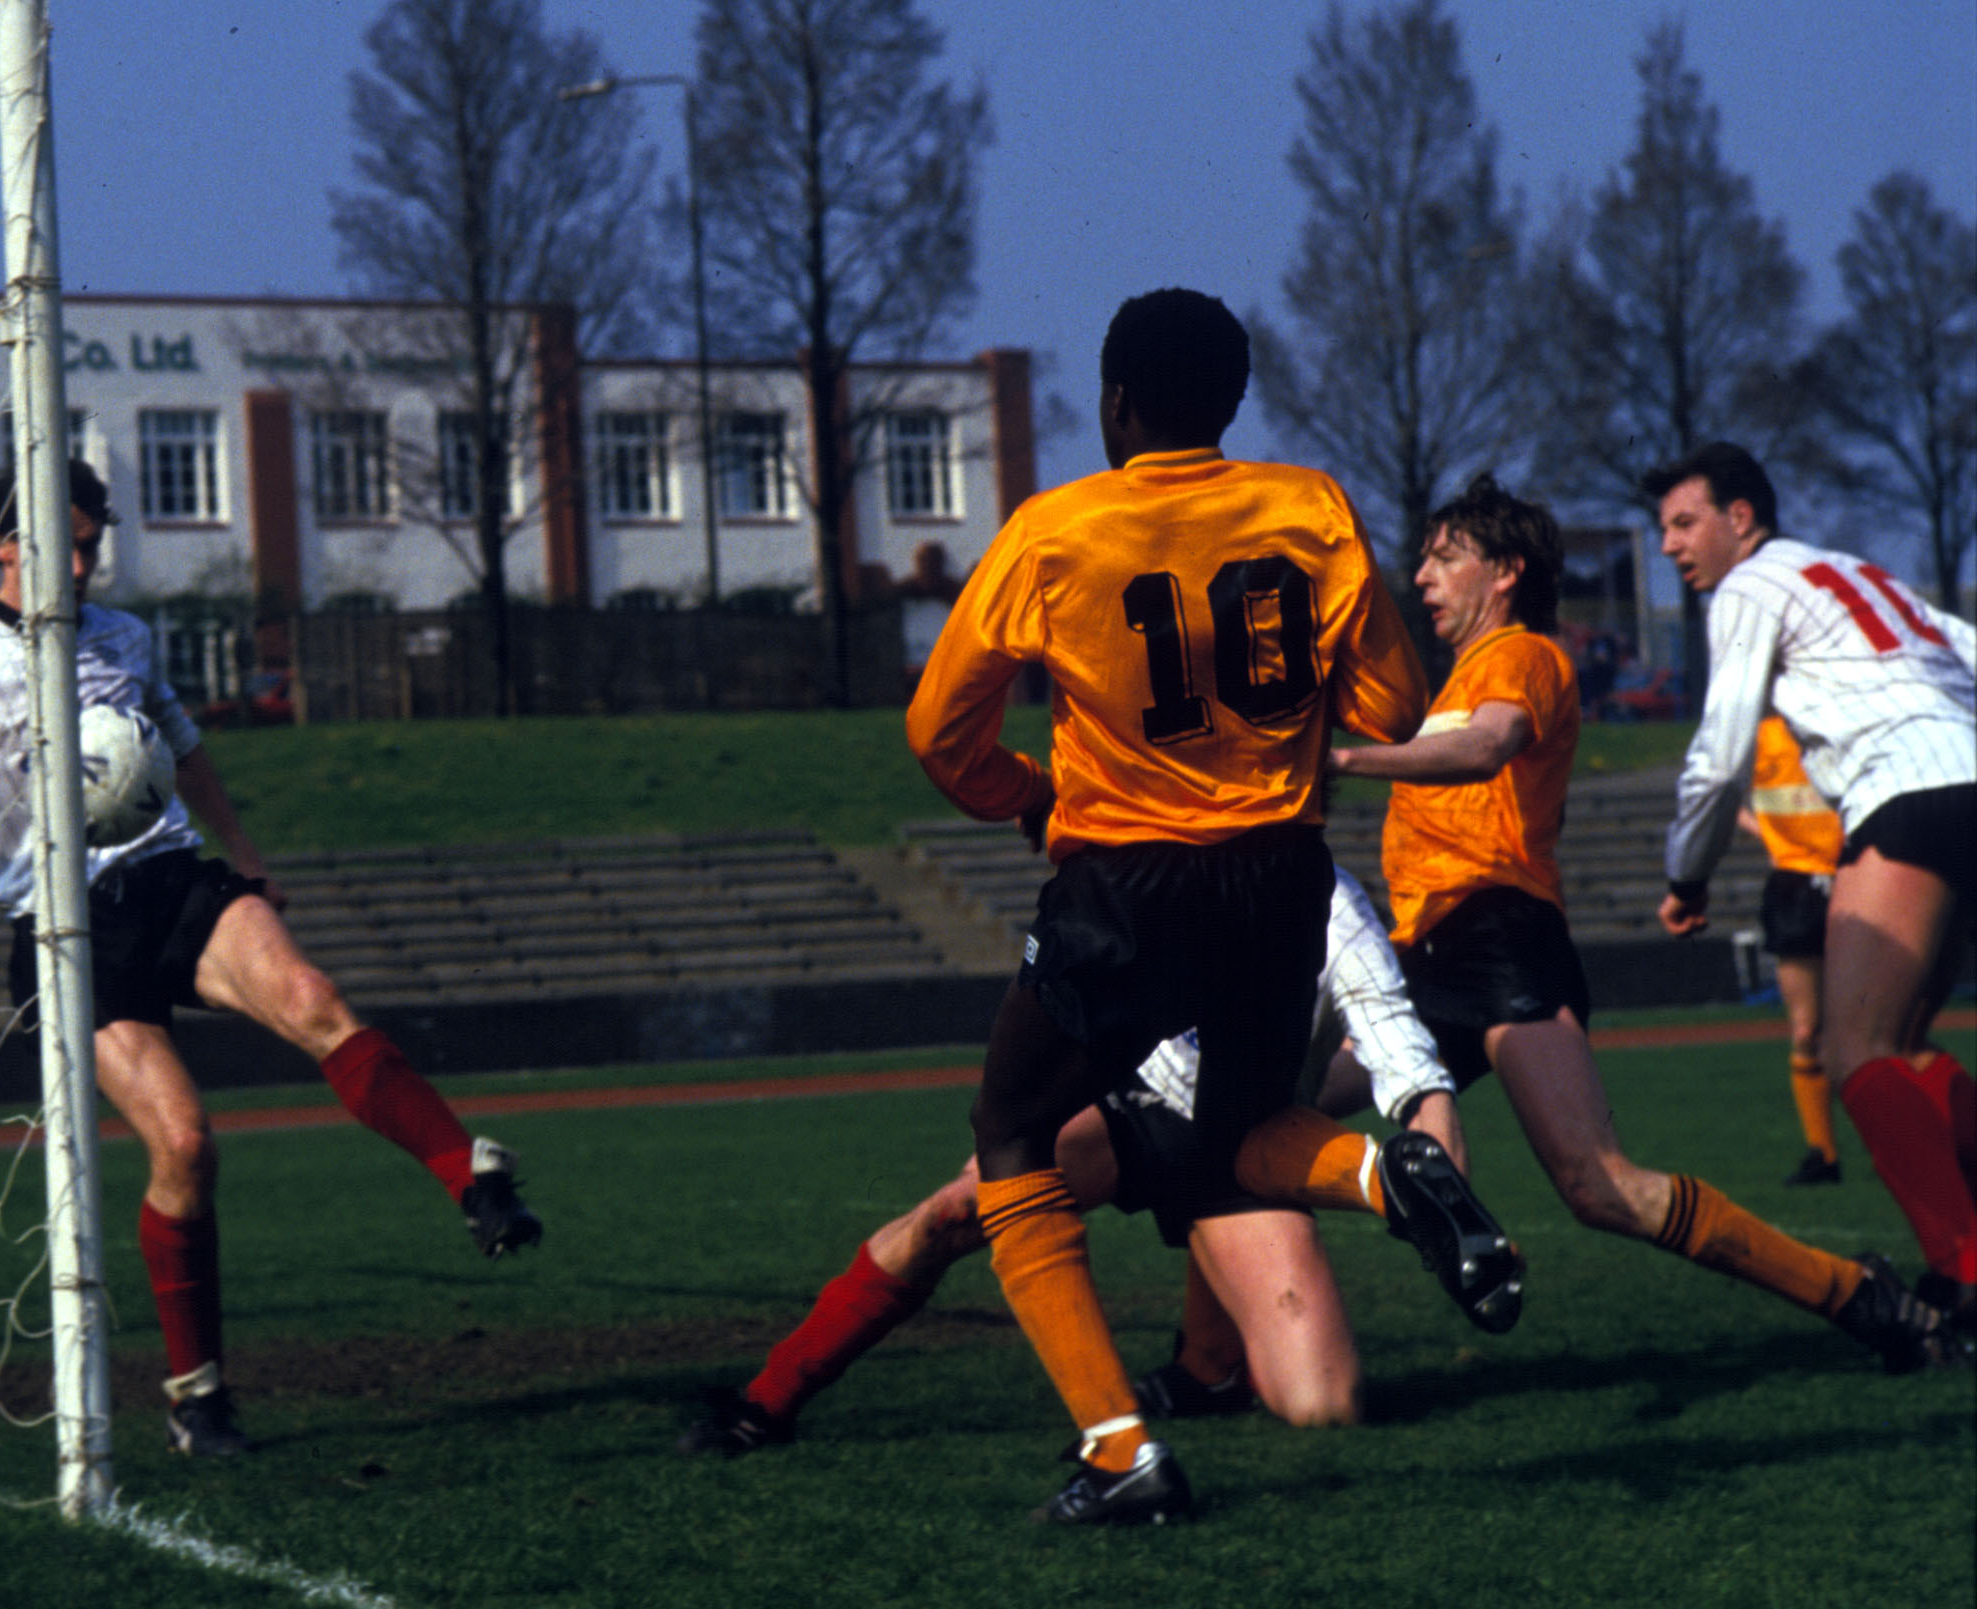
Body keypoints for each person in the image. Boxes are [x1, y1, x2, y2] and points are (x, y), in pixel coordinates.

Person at [907, 288, 1521, 1531]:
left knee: (1012, 1126)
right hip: (1280, 877)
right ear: (1233, 403)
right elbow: (1395, 711)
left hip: (1131, 883)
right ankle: (1382, 1175)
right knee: (1238, 1127)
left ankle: (1119, 1446)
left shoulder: (1055, 530)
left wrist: (1024, 792)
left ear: (1115, 403)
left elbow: (939, 734)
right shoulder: (1310, 507)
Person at [0, 459, 542, 1459]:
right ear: (4, 544)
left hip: (171, 877)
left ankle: (472, 1179)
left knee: (312, 995)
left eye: (95, 542)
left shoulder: (125, 638)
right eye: (68, 542)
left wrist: (251, 860)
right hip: (60, 933)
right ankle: (198, 1397)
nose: (86, 562)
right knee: (184, 1146)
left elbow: (182, 746)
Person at [1330, 472, 1953, 1371]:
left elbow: (1488, 747)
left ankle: (1856, 1295)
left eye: (1444, 557)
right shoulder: (1463, 672)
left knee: (1601, 1187)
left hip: (1499, 942)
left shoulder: (1520, 656)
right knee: (1281, 1113)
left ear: (1503, 572)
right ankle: (1236, 1345)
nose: (1422, 577)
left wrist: (1344, 759)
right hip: (1427, 952)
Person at [675, 866, 1465, 1455]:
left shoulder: (1336, 910)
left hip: (1237, 1145)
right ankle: (766, 1401)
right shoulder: (1166, 861)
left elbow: (1403, 1058)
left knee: (1323, 1403)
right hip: (1129, 1111)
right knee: (951, 1213)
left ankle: (1208, 1373)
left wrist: (1456, 1208)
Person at [1650, 441, 1977, 1339]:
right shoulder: (1859, 573)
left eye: (1684, 523)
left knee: (1854, 1046)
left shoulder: (1748, 587)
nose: (1670, 547)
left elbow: (1720, 755)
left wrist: (1686, 871)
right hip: (1964, 779)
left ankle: (1961, 1273)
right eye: (1661, 530)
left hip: (1904, 791)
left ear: (1740, 518)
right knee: (1906, 1043)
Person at [1739, 715, 1845, 1186]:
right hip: (1795, 884)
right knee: (1805, 1029)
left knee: (1882, 1029)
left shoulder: (1832, 713)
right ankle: (1822, 1155)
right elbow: (1719, 793)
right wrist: (1769, 834)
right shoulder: (1754, 731)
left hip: (1860, 874)